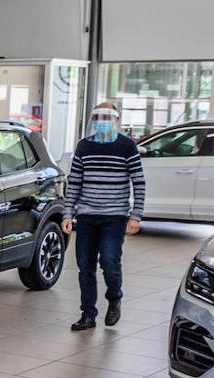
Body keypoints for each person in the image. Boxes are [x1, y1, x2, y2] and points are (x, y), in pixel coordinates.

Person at [62, 102, 147, 331]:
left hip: (114, 216)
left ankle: (114, 298)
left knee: (109, 261)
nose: (102, 121)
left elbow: (138, 182)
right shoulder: (84, 147)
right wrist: (67, 213)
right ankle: (88, 314)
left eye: (107, 117)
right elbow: (75, 182)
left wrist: (135, 216)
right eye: (98, 117)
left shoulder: (126, 146)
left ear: (117, 120)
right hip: (87, 215)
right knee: (85, 266)